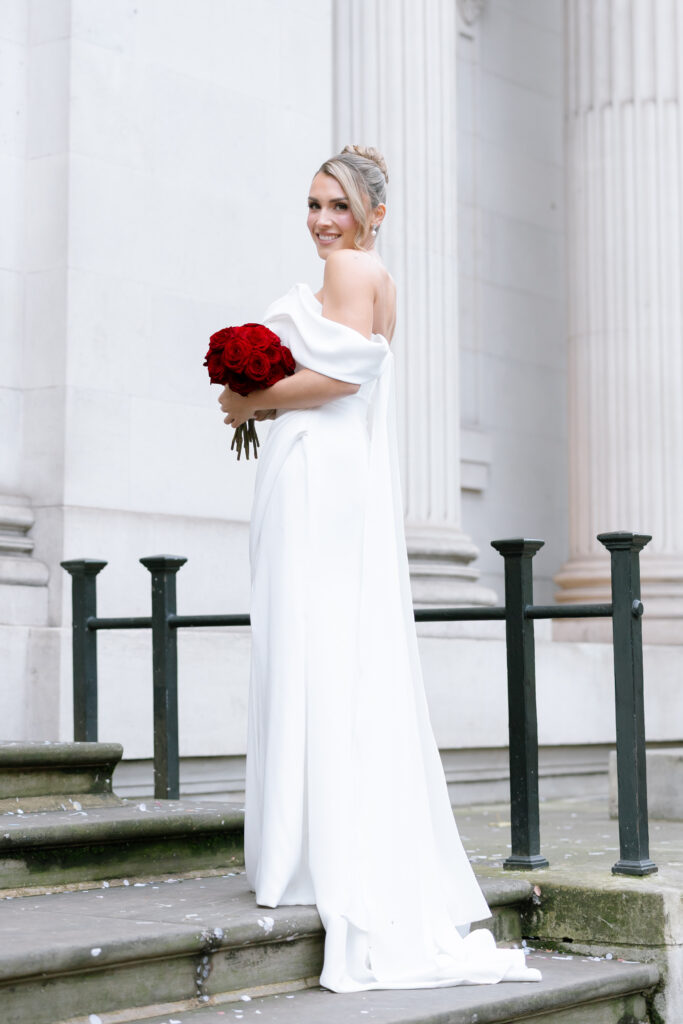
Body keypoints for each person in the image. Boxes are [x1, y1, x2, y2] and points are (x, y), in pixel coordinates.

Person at [218, 145, 541, 993]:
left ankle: (308, 853)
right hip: (327, 475)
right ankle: (310, 839)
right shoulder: (372, 273)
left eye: (337, 205)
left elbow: (340, 376)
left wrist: (251, 397)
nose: (323, 220)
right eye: (314, 205)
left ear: (372, 214)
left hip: (324, 477)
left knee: (314, 644)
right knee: (322, 644)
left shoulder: (356, 270)